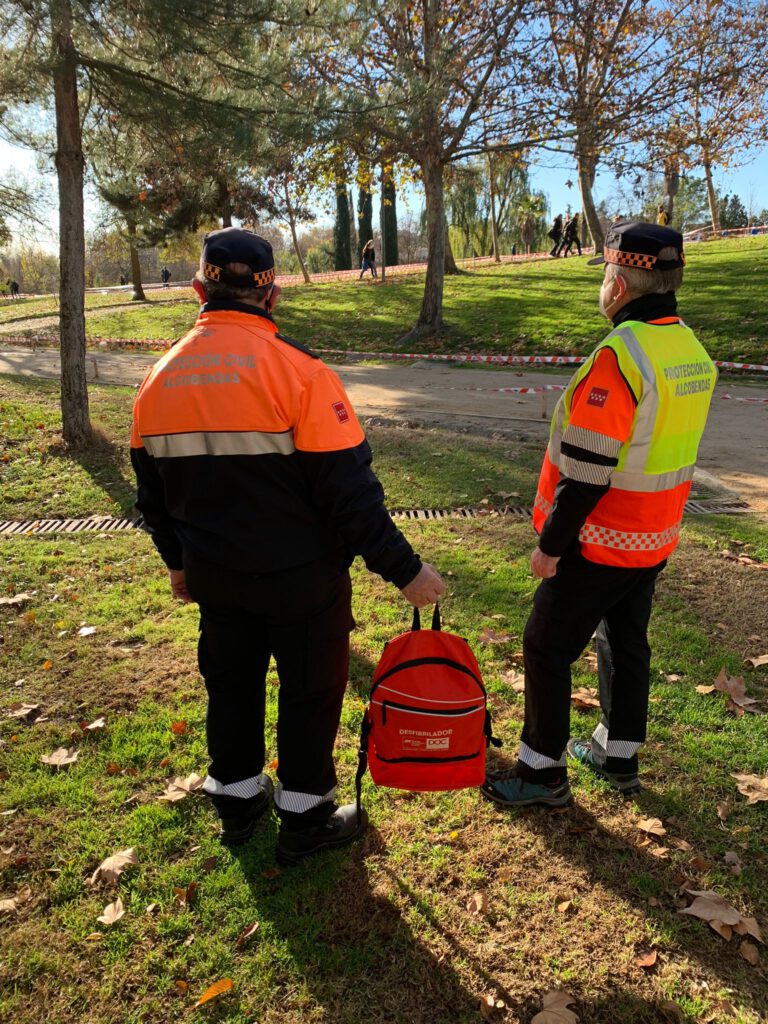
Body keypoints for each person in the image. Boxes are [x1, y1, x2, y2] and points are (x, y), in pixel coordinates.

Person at [130, 227, 444, 861]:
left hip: (215, 577)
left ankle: (237, 805)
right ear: (270, 295)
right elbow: (350, 496)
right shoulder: (301, 372)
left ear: (199, 288)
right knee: (310, 691)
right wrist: (406, 571)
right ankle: (305, 818)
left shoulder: (156, 380)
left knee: (231, 686)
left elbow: (152, 500)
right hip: (302, 581)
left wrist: (177, 565)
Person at [481, 222, 716, 809]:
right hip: (655, 536)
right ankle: (619, 755)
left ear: (622, 282)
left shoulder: (621, 356)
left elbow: (585, 472)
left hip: (599, 540)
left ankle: (541, 774)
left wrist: (551, 546)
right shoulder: (689, 347)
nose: (605, 285)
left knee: (545, 645)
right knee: (626, 640)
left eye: (608, 273)